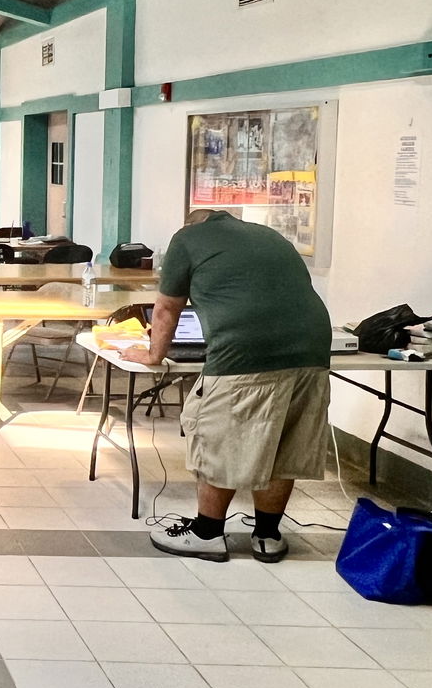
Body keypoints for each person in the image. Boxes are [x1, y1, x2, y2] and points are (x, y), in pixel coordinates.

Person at [122, 209, 331, 564]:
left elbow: (166, 308)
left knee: (220, 437)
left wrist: (154, 355)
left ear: (191, 224)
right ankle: (267, 536)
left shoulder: (186, 239)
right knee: (284, 442)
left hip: (244, 353)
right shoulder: (270, 235)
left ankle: (207, 533)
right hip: (312, 350)